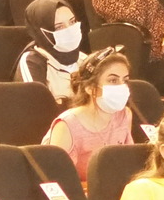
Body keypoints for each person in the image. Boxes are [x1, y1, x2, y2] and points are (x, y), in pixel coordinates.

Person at [47, 48, 133, 181]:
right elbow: (57, 180)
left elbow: (126, 166)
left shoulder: (125, 115)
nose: (122, 87)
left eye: (125, 80)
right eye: (113, 80)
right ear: (90, 88)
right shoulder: (66, 126)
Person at [17, 0, 85, 104]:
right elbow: (36, 106)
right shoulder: (33, 62)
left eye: (72, 22)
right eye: (59, 27)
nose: (69, 29)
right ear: (42, 32)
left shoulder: (83, 59)